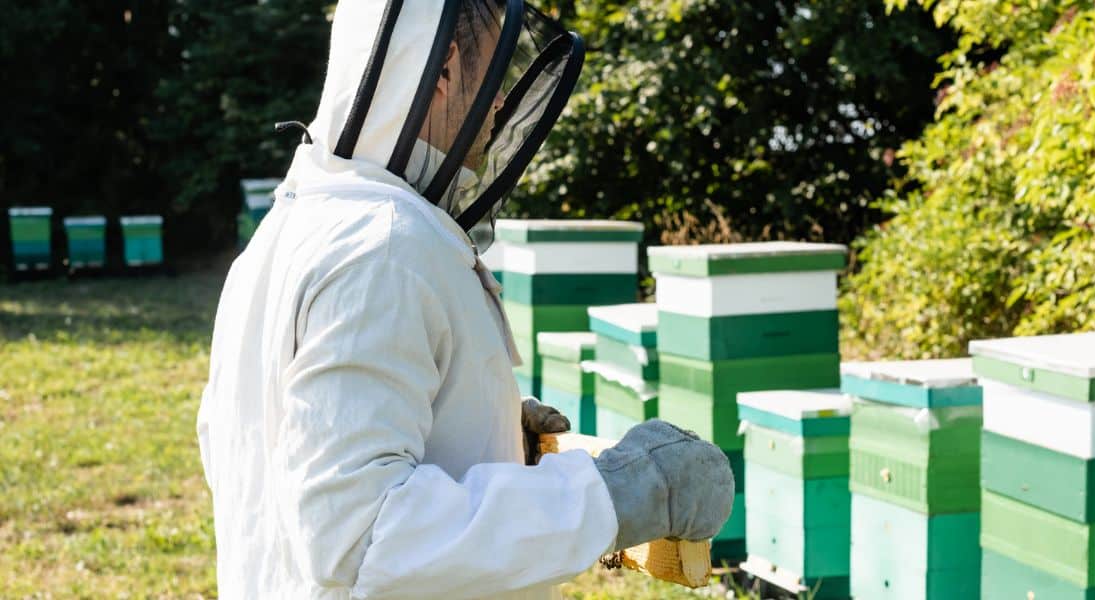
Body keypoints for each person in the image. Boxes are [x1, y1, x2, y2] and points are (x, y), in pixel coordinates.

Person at [196, 1, 735, 598]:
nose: (502, 104)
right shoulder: (384, 248)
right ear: (445, 70)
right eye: (494, 77)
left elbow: (269, 451)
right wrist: (615, 493)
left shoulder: (286, 231)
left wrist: (480, 428)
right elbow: (363, 544)